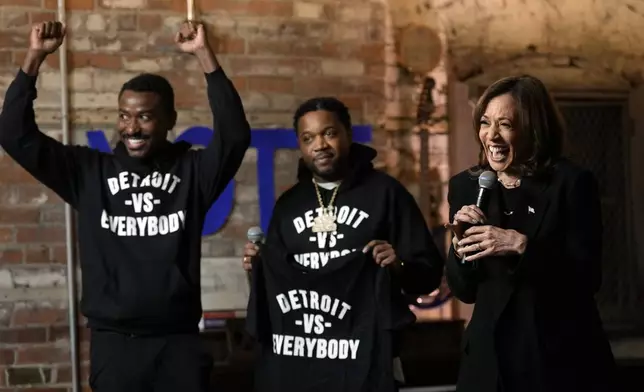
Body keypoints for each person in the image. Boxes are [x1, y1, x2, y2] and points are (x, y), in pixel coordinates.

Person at [0, 21, 251, 392]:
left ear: (169, 121)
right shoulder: (88, 172)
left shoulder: (193, 173)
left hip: (177, 343)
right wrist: (34, 57)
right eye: (124, 115)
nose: (131, 127)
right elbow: (14, 135)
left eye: (145, 116)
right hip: (115, 346)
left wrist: (203, 54)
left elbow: (234, 136)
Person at [242, 97, 445, 391]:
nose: (319, 145)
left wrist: (397, 264)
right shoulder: (288, 205)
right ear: (300, 145)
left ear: (347, 134)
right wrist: (256, 269)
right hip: (302, 362)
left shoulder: (386, 194)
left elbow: (428, 276)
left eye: (329, 133)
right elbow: (276, 289)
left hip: (366, 361)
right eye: (308, 138)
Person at [445, 75, 616, 392]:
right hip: (488, 365)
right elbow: (465, 291)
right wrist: (459, 250)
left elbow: (588, 277)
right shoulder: (466, 186)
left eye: (505, 124)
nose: (491, 136)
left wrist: (521, 245)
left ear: (534, 130)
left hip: (555, 361)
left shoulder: (572, 183)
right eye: (485, 123)